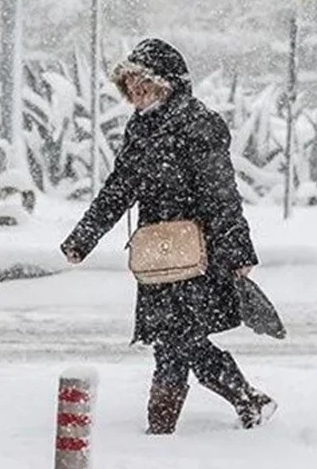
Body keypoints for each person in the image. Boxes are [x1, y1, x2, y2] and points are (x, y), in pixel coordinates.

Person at [59, 38, 277, 435]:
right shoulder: (140, 129)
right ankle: (245, 401)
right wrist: (82, 238)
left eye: (145, 85)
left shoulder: (198, 123)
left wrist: (237, 250)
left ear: (167, 84)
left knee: (177, 340)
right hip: (158, 255)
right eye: (132, 87)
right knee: (175, 339)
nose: (138, 95)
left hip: (198, 253)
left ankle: (162, 432)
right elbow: (119, 189)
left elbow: (221, 193)